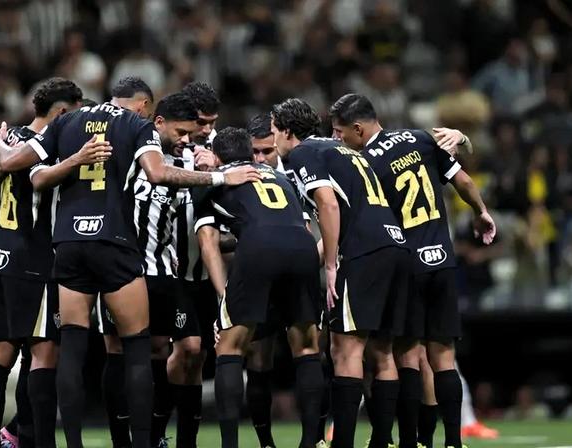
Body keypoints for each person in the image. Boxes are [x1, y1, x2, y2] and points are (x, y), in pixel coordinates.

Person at [0, 76, 261, 448]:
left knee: (71, 349)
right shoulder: (135, 125)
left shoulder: (68, 122)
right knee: (135, 349)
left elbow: (25, 171)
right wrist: (220, 175)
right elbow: (158, 172)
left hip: (68, 243)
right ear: (146, 107)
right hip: (114, 243)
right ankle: (142, 443)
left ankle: (73, 444)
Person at [329, 93, 496, 448]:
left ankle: (411, 440)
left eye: (339, 132)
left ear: (358, 128)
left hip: (406, 263)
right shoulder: (419, 139)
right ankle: (453, 442)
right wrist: (481, 212)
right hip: (443, 259)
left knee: (402, 354)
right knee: (443, 356)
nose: (337, 139)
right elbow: (463, 179)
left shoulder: (366, 163)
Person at [274, 98, 411, 448]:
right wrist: (316, 261)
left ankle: (343, 444)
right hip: (395, 246)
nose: (273, 139)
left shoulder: (303, 154)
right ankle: (383, 441)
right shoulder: (342, 150)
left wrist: (332, 265)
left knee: (344, 350)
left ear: (288, 132)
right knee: (382, 352)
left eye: (274, 131)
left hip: (362, 253)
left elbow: (329, 204)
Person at [0, 77, 83, 448]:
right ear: (62, 112)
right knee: (43, 351)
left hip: (0, 255)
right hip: (33, 259)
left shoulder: (13, 137)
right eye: (76, 113)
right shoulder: (48, 146)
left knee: (2, 354)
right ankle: (35, 440)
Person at [196, 127, 324, 448]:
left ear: (218, 154)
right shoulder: (279, 176)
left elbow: (208, 241)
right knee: (307, 347)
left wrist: (224, 294)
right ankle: (311, 442)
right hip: (304, 247)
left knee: (230, 347)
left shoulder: (217, 178)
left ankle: (231, 445)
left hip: (258, 250)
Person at [91, 92, 200, 448]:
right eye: (180, 131)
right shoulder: (128, 154)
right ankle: (121, 439)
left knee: (157, 351)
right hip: (120, 269)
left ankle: (152, 437)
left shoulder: (187, 164)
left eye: (190, 133)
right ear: (158, 123)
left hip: (163, 271)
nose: (185, 139)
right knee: (117, 350)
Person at [160, 81, 223, 448]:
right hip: (171, 270)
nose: (206, 130)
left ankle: (187, 439)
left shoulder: (219, 151)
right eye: (201, 122)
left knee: (198, 358)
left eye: (212, 122)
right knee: (187, 348)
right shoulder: (164, 150)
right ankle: (156, 430)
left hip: (204, 268)